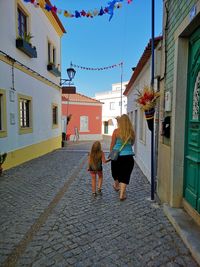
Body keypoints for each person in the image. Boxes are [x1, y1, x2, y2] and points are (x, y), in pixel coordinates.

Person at [109, 114, 135, 201]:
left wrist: (111, 154)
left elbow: (112, 144)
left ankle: (116, 185)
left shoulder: (116, 131)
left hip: (116, 155)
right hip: (128, 156)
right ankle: (121, 194)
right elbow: (132, 143)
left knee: (116, 172)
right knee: (125, 175)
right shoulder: (131, 132)